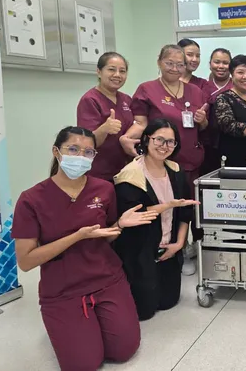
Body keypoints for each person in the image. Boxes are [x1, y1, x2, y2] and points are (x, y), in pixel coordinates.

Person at [12, 126, 158, 371]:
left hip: (106, 278)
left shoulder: (104, 189)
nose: (80, 156)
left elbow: (105, 236)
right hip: (64, 288)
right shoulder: (31, 199)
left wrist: (119, 225)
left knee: (124, 350)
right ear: (56, 152)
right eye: (73, 149)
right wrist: (77, 236)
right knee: (83, 364)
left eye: (88, 152)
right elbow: (26, 262)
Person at [120, 44, 207, 276]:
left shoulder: (195, 91)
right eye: (170, 63)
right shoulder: (147, 89)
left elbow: (202, 127)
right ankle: (164, 250)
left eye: (180, 64)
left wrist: (202, 120)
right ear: (159, 62)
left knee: (189, 209)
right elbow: (140, 123)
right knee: (165, 207)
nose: (175, 68)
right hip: (160, 162)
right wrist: (126, 138)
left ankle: (186, 248)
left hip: (190, 161)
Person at [114, 119, 199, 321]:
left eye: (171, 142)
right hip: (140, 251)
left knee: (169, 302)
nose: (164, 146)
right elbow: (135, 215)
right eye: (159, 139)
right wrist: (168, 205)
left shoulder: (176, 171)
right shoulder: (130, 176)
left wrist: (178, 244)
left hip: (169, 248)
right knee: (144, 311)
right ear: (146, 139)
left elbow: (185, 213)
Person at [76, 52, 135, 182]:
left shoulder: (126, 99)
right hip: (100, 173)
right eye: (111, 69)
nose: (117, 75)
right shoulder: (90, 100)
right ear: (99, 72)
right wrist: (104, 129)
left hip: (127, 171)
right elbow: (86, 142)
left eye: (122, 71)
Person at [201, 48, 233, 175]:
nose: (221, 66)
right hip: (206, 142)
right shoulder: (202, 86)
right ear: (210, 64)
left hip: (231, 141)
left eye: (225, 63)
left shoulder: (236, 86)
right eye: (217, 62)